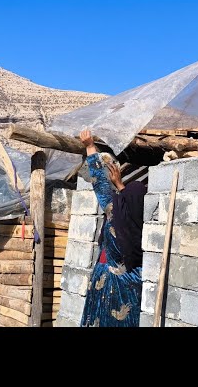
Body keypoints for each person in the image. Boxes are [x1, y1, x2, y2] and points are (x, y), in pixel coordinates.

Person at [78, 129, 147, 327]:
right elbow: (130, 202)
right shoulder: (141, 228)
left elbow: (101, 185)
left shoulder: (113, 214)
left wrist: (90, 147)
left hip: (105, 281)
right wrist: (123, 188)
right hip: (128, 285)